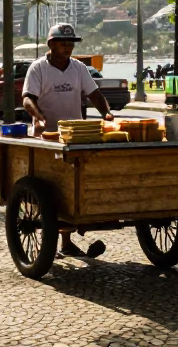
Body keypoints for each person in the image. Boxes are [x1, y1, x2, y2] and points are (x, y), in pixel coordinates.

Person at [22, 23, 113, 259]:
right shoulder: (38, 68)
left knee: (71, 186)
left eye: (71, 44)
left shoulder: (79, 68)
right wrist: (37, 116)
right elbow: (27, 99)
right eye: (64, 43)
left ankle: (66, 242)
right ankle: (46, 242)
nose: (68, 48)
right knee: (49, 187)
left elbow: (95, 95)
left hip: (75, 136)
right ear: (51, 44)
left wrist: (107, 114)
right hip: (47, 136)